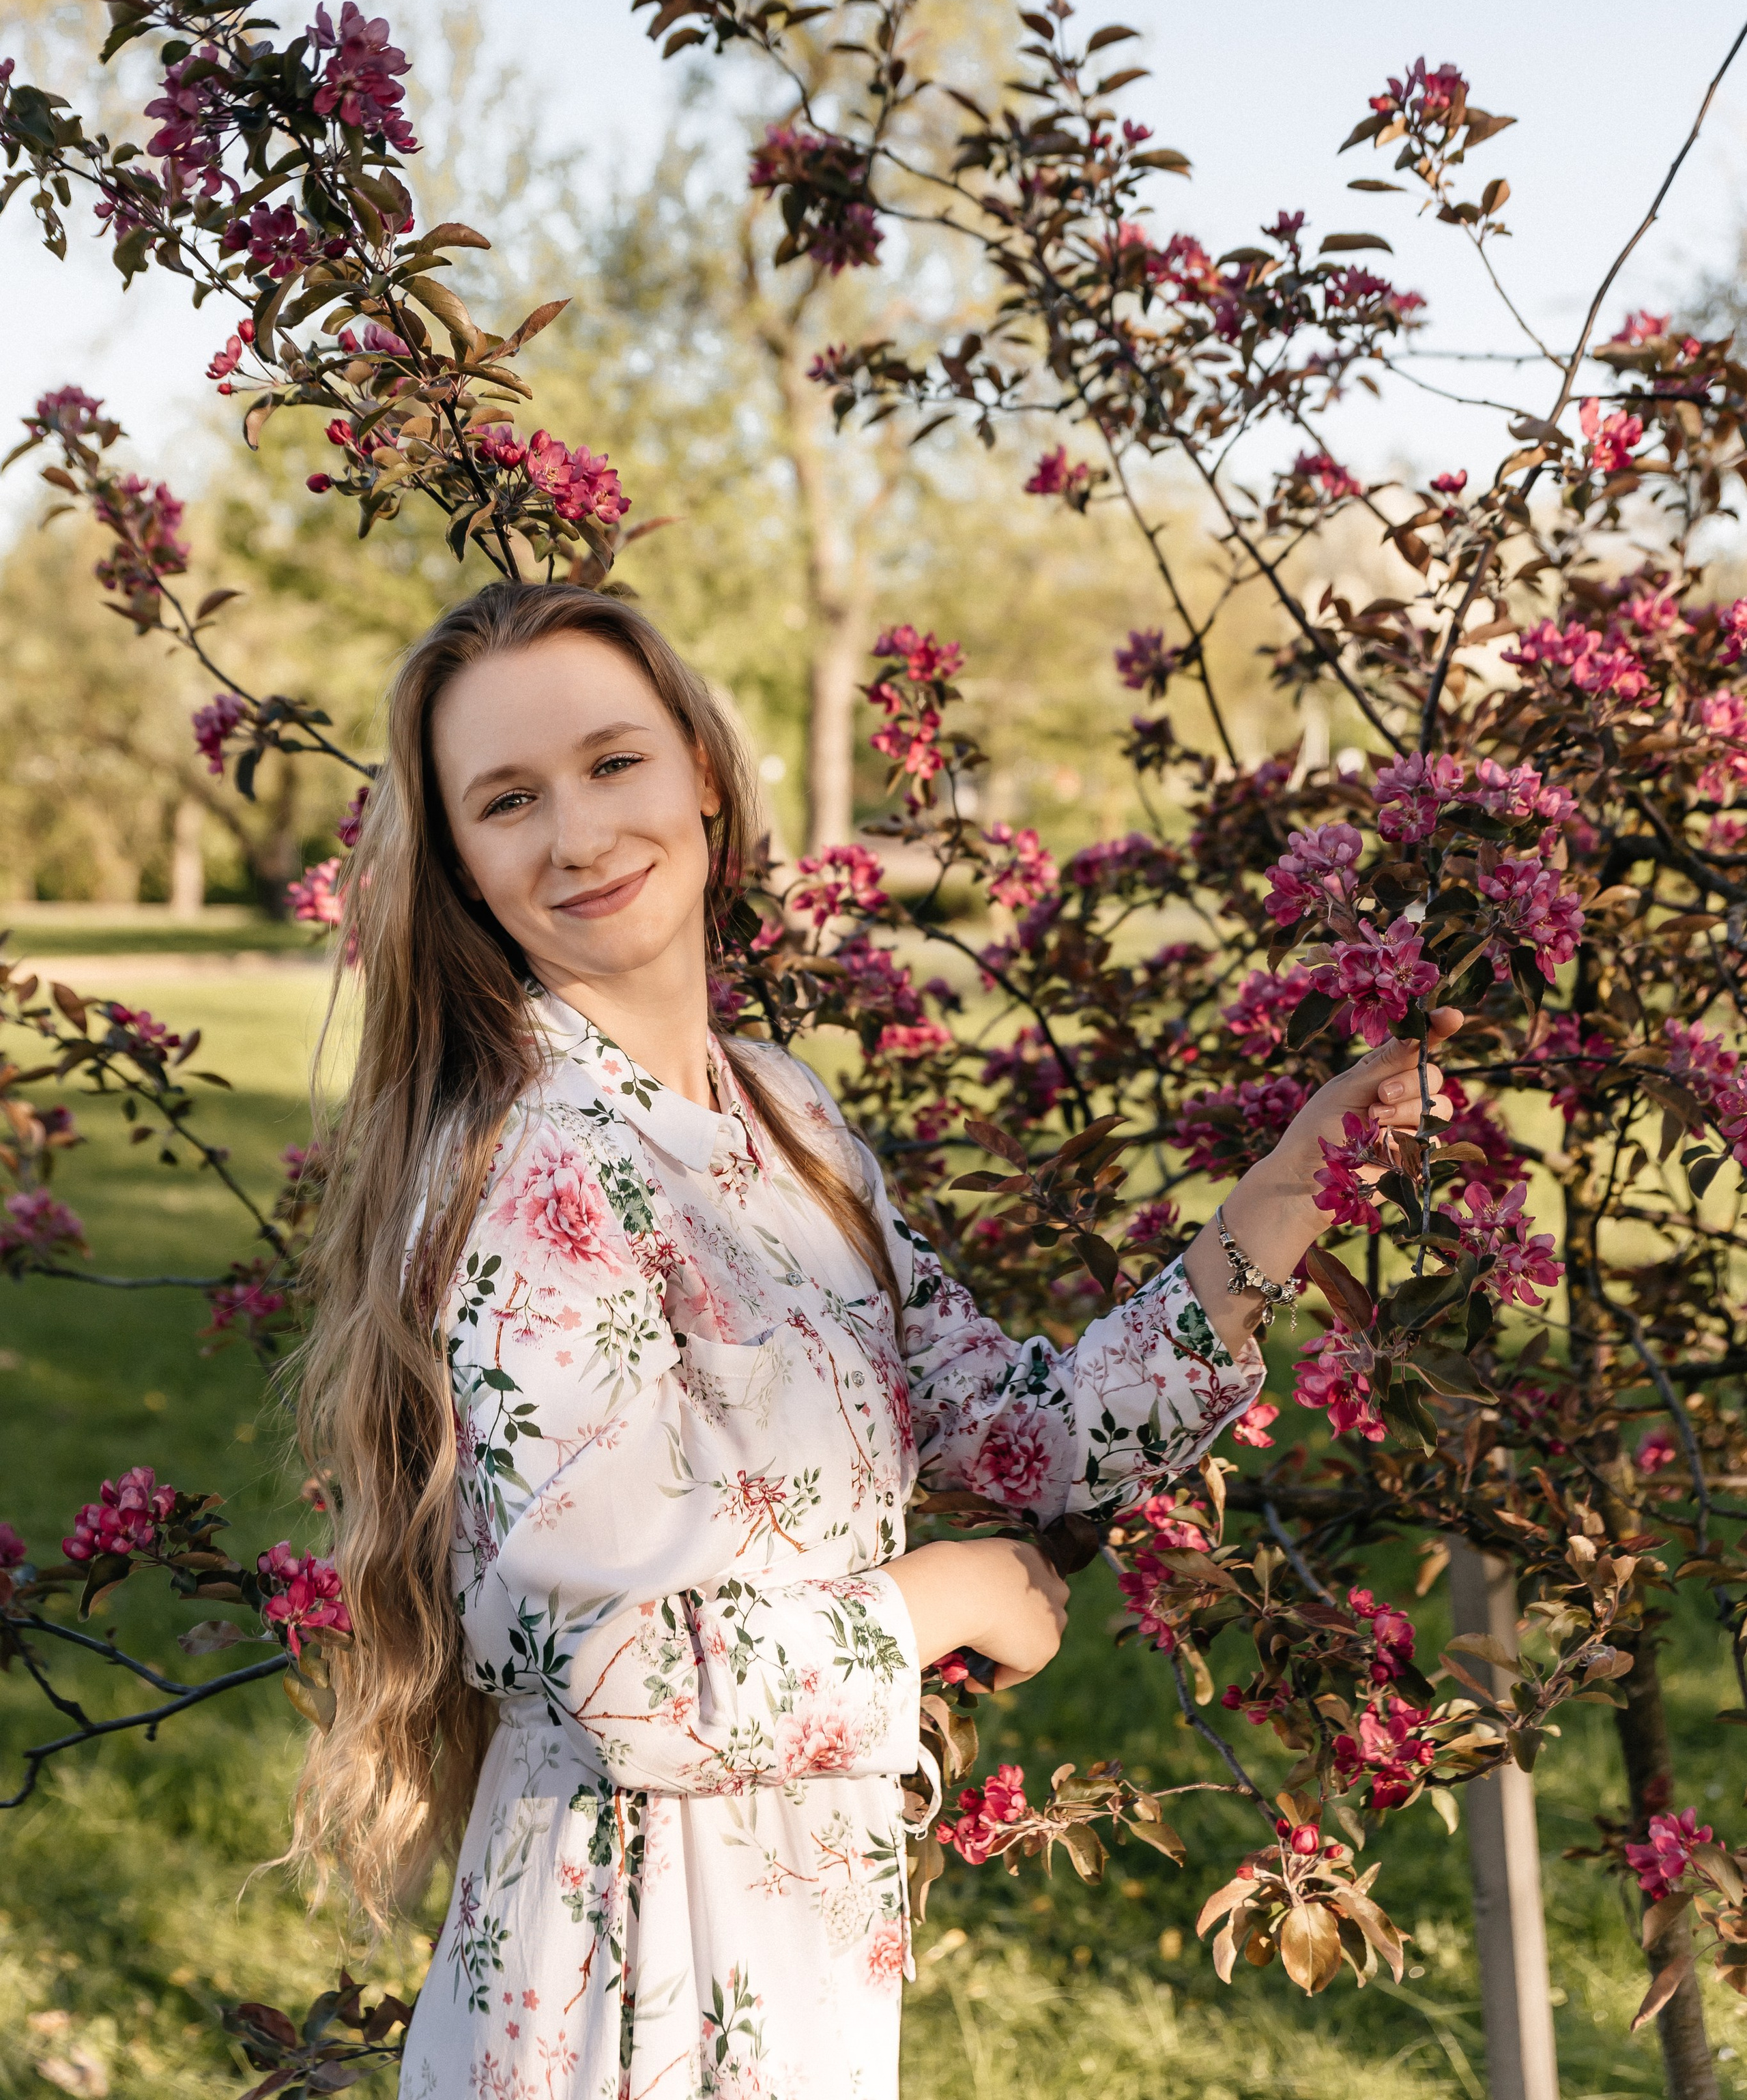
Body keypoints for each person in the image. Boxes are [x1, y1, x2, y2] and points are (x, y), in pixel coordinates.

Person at [291, 584, 1457, 2100]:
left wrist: (1297, 1179)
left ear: (700, 773)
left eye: (610, 764)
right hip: (630, 1986)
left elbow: (1016, 1431)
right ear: (456, 861)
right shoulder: (533, 1172)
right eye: (508, 800)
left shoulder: (781, 1114)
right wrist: (944, 1593)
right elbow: (625, 1680)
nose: (574, 835)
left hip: (789, 1938)